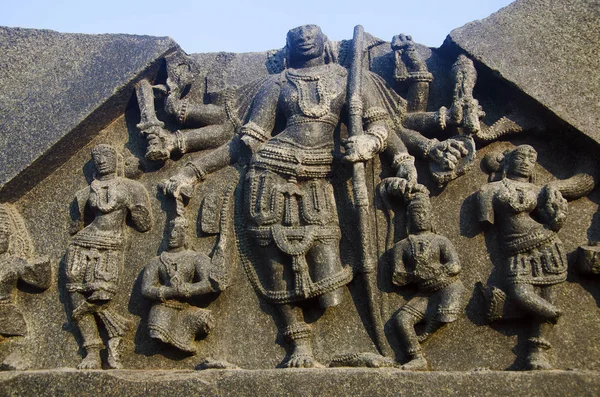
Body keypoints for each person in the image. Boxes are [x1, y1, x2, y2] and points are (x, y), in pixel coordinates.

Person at [477, 145, 567, 370]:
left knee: (547, 290)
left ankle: (536, 353)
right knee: (520, 293)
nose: (527, 162)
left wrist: (558, 217)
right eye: (521, 157)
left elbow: (553, 220)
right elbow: (485, 223)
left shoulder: (540, 191)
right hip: (515, 250)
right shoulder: (488, 191)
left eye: (532, 158)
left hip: (547, 243)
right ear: (507, 161)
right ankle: (552, 313)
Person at [65, 144, 152, 369]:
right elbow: (75, 226)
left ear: (117, 160)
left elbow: (143, 225)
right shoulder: (85, 193)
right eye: (96, 157)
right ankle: (92, 351)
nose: (101, 160)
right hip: (81, 245)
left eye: (106, 155)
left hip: (112, 245)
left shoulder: (132, 188)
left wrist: (136, 205)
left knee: (102, 297)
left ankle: (114, 348)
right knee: (76, 292)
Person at [389, 191, 465, 370]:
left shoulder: (440, 241)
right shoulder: (401, 246)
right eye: (416, 214)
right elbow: (397, 277)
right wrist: (414, 276)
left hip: (447, 287)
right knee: (402, 319)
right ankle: (417, 357)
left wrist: (439, 270)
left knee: (444, 313)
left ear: (431, 216)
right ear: (409, 218)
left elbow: (455, 265)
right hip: (424, 293)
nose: (420, 218)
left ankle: (427, 331)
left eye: (424, 214)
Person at [141, 217, 227, 354]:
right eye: (169, 231)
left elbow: (211, 283)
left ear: (186, 234)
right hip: (164, 308)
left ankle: (185, 340)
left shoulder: (196, 258)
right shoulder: (157, 261)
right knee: (157, 332)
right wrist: (168, 292)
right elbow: (146, 289)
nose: (172, 235)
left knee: (205, 320)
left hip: (188, 309)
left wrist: (187, 289)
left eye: (177, 231)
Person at [0, 204, 51, 341]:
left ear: (10, 238)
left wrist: (42, 265)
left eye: (1, 235)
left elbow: (41, 282)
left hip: (7, 319)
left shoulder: (13, 262)